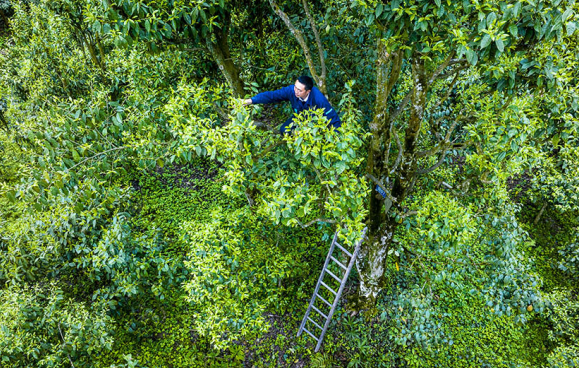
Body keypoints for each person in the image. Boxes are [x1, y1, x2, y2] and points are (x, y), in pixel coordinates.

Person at [242, 75, 341, 134]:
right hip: (299, 117)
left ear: (308, 91)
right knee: (284, 130)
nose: (296, 92)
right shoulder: (291, 91)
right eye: (295, 87)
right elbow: (272, 95)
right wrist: (251, 100)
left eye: (299, 90)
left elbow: (333, 119)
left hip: (314, 123)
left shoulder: (319, 100)